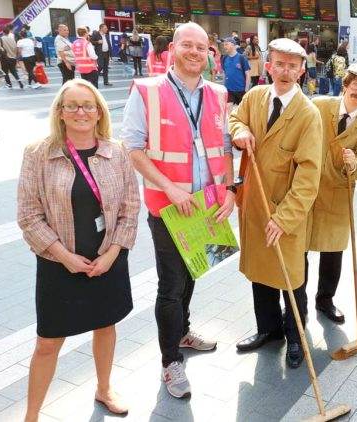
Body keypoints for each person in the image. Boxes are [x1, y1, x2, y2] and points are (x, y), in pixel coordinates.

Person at [120, 22, 235, 398]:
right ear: (173, 48)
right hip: (168, 207)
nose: (194, 52)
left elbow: (225, 147)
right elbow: (133, 148)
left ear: (208, 53)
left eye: (201, 48)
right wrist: (170, 188)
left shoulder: (218, 93)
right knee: (170, 285)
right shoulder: (148, 91)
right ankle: (171, 361)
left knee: (193, 275)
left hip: (207, 206)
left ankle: (182, 331)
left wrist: (230, 191)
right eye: (187, 45)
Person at [17, 79, 140, 422]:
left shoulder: (116, 152)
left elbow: (131, 209)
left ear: (100, 111)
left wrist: (113, 253)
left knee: (105, 325)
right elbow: (28, 215)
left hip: (108, 259)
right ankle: (31, 415)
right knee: (47, 342)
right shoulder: (38, 153)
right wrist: (64, 257)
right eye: (71, 105)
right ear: (59, 111)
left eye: (88, 105)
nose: (80, 112)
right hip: (59, 263)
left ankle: (104, 388)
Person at [230, 38, 322, 369]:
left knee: (290, 277)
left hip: (287, 213)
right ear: (268, 66)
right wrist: (239, 130)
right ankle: (268, 329)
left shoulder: (308, 115)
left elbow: (309, 176)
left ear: (301, 71)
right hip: (254, 205)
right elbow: (235, 119)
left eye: (292, 66)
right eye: (279, 64)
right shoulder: (255, 97)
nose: (284, 71)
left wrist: (284, 218)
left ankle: (295, 335)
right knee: (260, 272)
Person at [306, 63, 357, 323]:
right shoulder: (318, 106)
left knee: (333, 251)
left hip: (337, 193)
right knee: (298, 248)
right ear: (345, 84)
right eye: (356, 84)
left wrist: (353, 164)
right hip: (306, 190)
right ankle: (297, 300)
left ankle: (325, 300)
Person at [220, 37, 250, 109]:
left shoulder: (242, 58)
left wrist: (246, 89)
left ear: (233, 45)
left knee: (243, 113)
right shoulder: (224, 58)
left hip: (241, 90)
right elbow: (224, 73)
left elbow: (248, 75)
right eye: (224, 45)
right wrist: (224, 86)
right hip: (229, 90)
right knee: (228, 109)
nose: (224, 47)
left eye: (226, 44)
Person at [0, 24, 23, 89]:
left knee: (5, 71)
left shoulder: (0, 39)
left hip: (5, 58)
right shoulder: (12, 40)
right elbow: (15, 49)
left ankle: (9, 84)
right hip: (13, 58)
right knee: (13, 71)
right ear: (9, 32)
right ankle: (19, 82)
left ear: (3, 32)